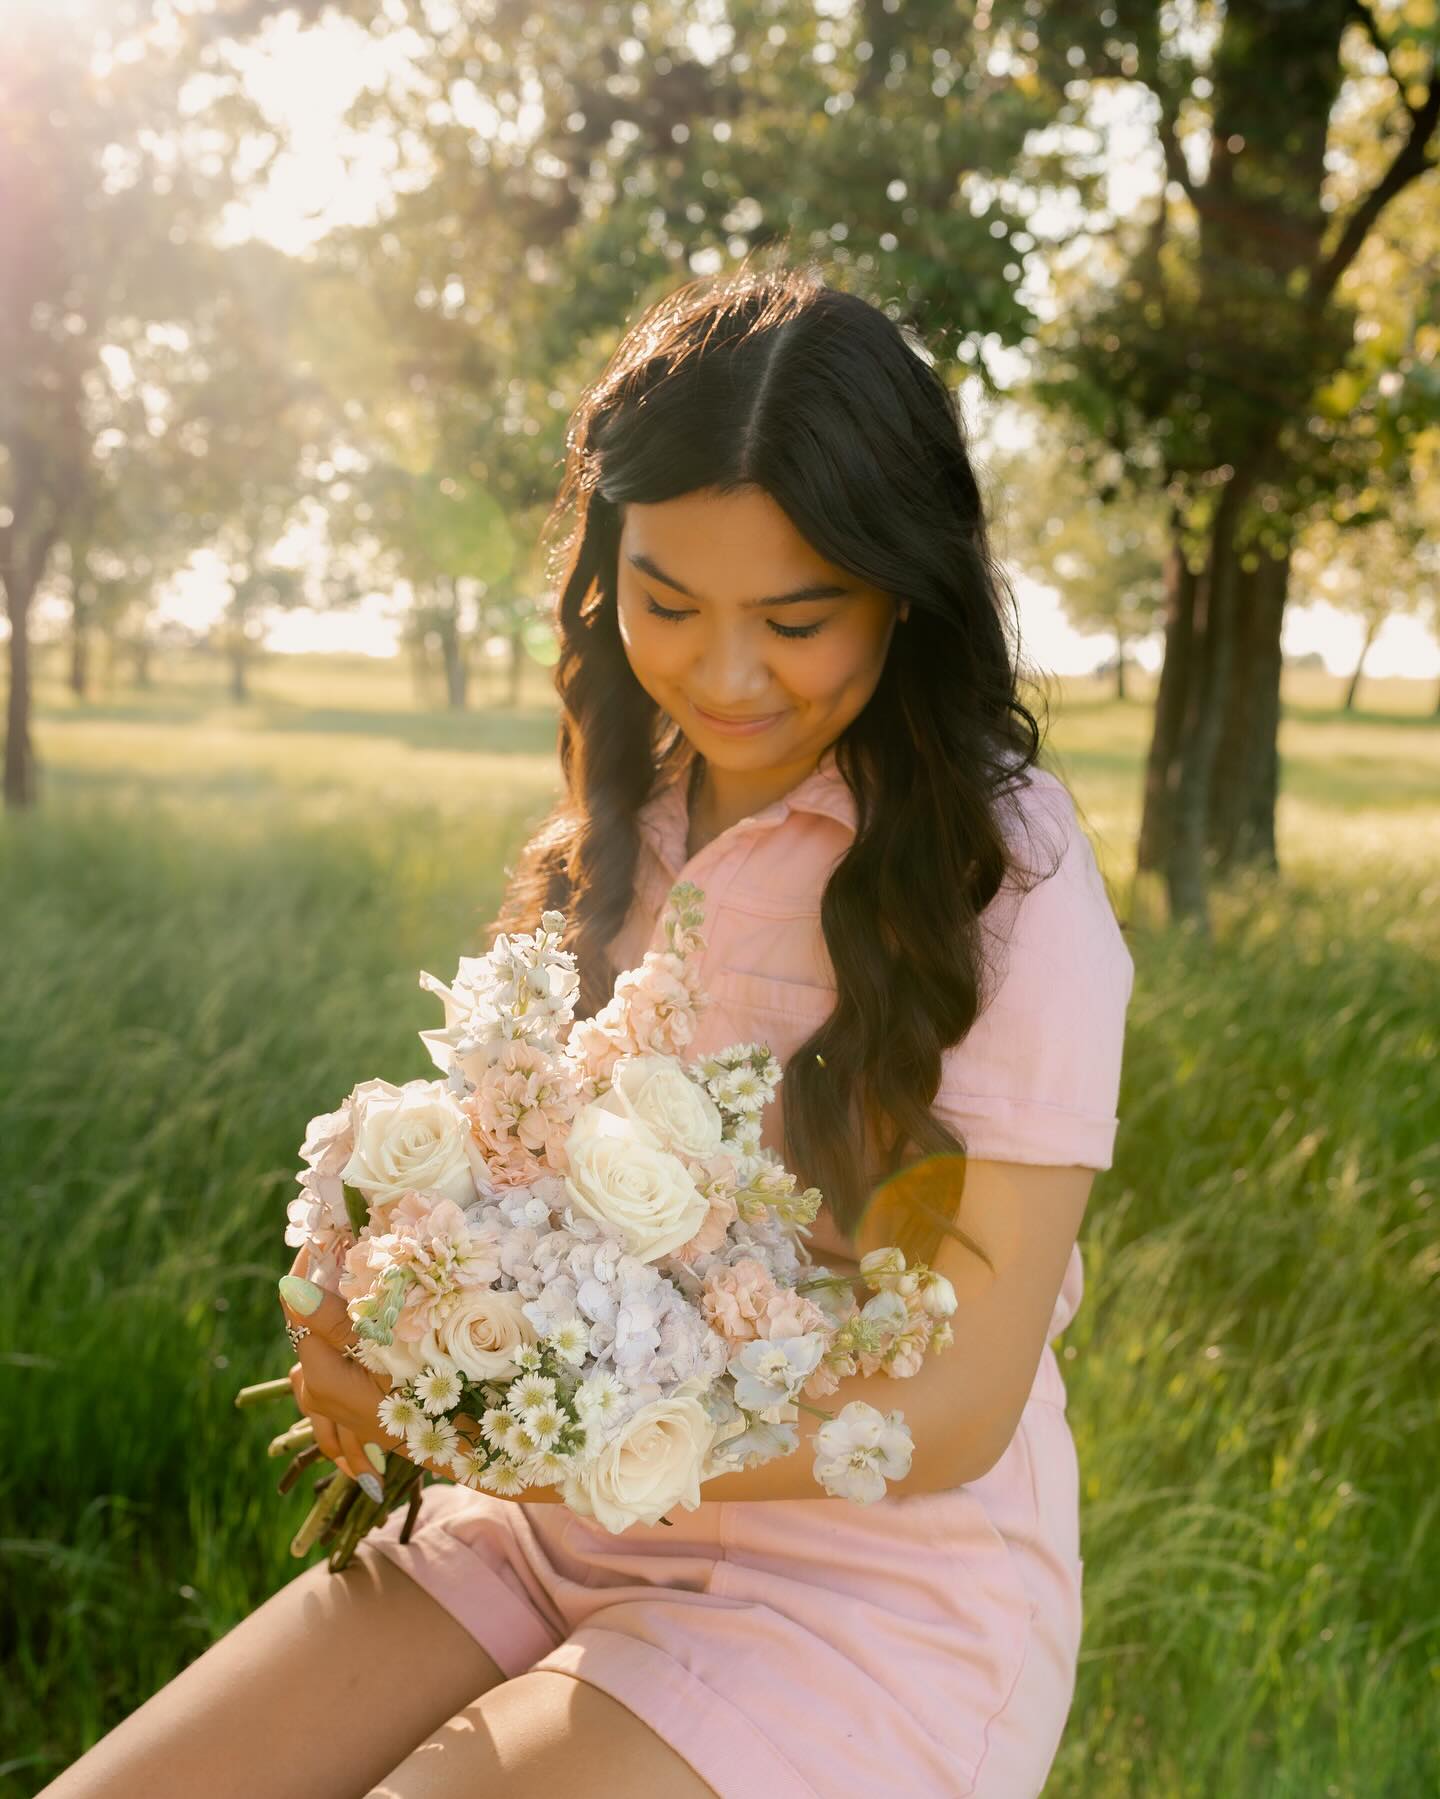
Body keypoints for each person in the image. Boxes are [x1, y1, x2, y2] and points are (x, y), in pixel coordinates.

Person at [43, 259, 1134, 1799]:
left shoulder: (1002, 874)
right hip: (540, 1526)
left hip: (864, 1581)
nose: (727, 673)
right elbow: (526, 1181)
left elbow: (956, 1409)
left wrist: (539, 1437)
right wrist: (383, 1300)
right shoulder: (633, 811)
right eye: (668, 604)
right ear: (602, 568)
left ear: (908, 583)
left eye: (799, 617)